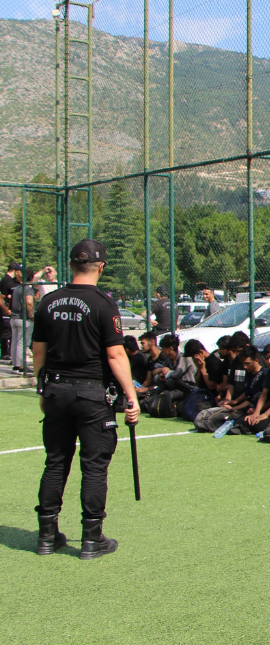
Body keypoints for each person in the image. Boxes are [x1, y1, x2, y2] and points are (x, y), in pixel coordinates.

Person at [31, 238, 140, 559]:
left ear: (70, 265)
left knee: (55, 462)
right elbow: (116, 355)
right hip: (93, 393)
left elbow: (39, 351)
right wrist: (131, 397)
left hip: (56, 389)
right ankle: (92, 539)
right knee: (94, 466)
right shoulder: (104, 304)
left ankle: (47, 536)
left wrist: (42, 388)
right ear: (101, 267)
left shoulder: (48, 302)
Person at [11, 267, 40, 373]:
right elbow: (29, 302)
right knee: (23, 342)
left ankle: (15, 363)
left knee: (15, 341)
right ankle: (21, 365)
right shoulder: (28, 288)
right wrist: (31, 315)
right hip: (24, 318)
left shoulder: (18, 287)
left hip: (14, 317)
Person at [0, 261, 19, 361]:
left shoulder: (11, 280)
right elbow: (1, 297)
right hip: (5, 309)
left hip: (10, 308)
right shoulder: (6, 281)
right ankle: (5, 353)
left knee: (10, 331)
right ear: (14, 270)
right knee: (6, 331)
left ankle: (9, 352)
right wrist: (6, 309)